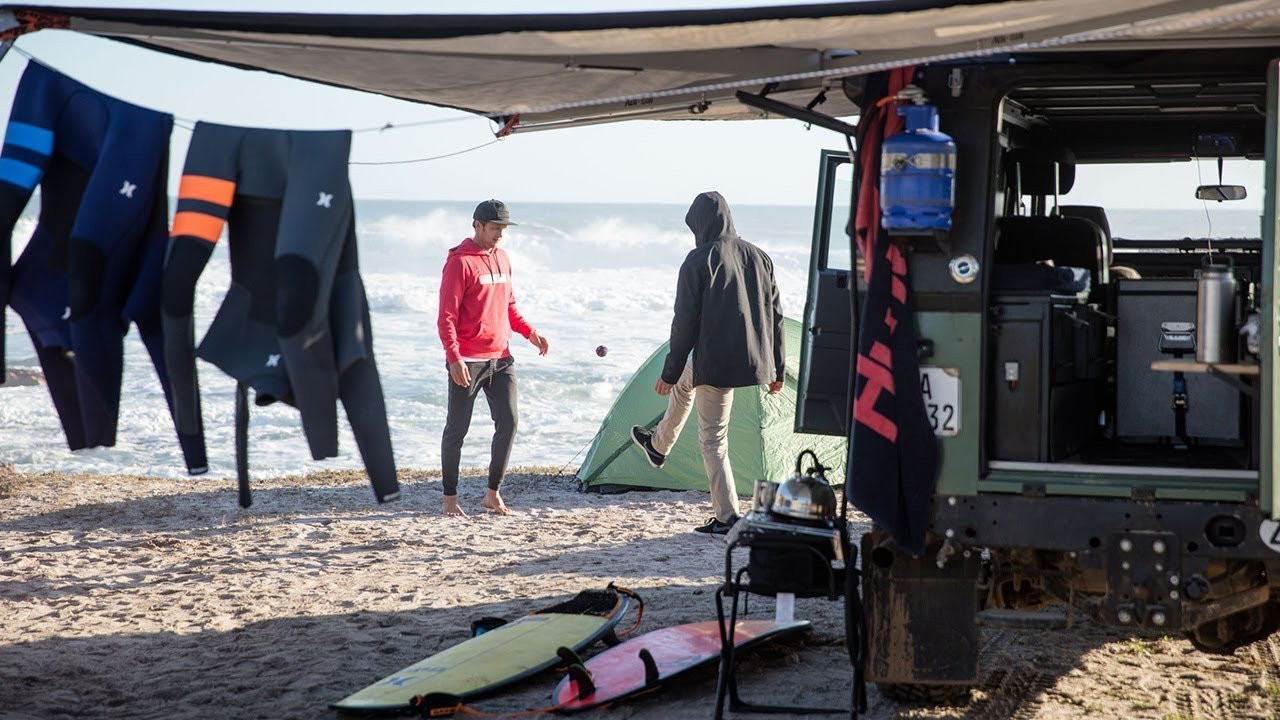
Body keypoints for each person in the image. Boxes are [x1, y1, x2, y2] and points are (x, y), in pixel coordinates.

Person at [631, 191, 785, 535]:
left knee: (713, 440)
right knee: (687, 381)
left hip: (717, 365)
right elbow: (776, 315)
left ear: (700, 224)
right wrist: (778, 368)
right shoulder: (759, 256)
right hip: (754, 360)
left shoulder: (698, 260)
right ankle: (658, 446)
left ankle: (727, 517)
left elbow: (684, 322)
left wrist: (668, 373)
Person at [437, 199, 549, 516]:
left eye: (503, 228)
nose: (500, 234)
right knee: (457, 430)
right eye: (494, 228)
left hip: (501, 358)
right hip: (468, 361)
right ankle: (449, 499)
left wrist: (529, 333)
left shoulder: (502, 257)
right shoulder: (460, 263)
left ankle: (492, 493)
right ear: (477, 225)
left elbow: (508, 306)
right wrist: (454, 358)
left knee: (509, 422)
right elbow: (446, 317)